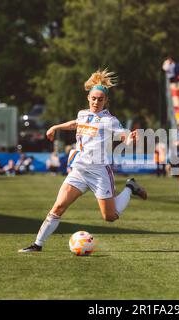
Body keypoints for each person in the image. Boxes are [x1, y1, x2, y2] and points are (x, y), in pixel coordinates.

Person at [19, 69, 147, 253]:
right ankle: (37, 244)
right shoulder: (83, 114)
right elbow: (75, 124)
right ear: (88, 97)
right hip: (79, 171)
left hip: (99, 172)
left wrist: (130, 139)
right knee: (58, 206)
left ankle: (130, 187)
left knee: (110, 217)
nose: (96, 102)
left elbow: (124, 137)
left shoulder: (110, 120)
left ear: (106, 101)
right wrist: (55, 127)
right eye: (93, 98)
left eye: (100, 99)